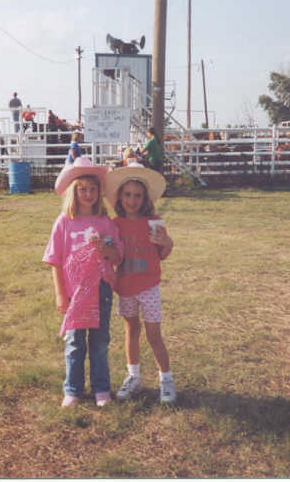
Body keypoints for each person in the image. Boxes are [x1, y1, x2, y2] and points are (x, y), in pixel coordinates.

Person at [42, 157, 123, 408]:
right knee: (75, 342)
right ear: (73, 192)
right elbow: (55, 260)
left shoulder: (105, 223)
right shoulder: (64, 222)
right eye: (81, 189)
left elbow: (117, 256)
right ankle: (73, 389)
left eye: (92, 189)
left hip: (100, 289)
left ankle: (101, 388)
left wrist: (104, 249)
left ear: (99, 192)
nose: (87, 194)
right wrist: (60, 294)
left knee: (99, 341)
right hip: (74, 292)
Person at [103, 160, 176, 403]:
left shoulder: (154, 222)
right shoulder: (114, 224)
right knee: (131, 331)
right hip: (125, 288)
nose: (132, 200)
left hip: (149, 287)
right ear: (119, 196)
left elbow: (162, 255)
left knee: (154, 334)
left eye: (137, 195)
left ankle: (166, 378)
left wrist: (167, 243)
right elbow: (112, 256)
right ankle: (133, 377)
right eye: (127, 194)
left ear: (145, 198)